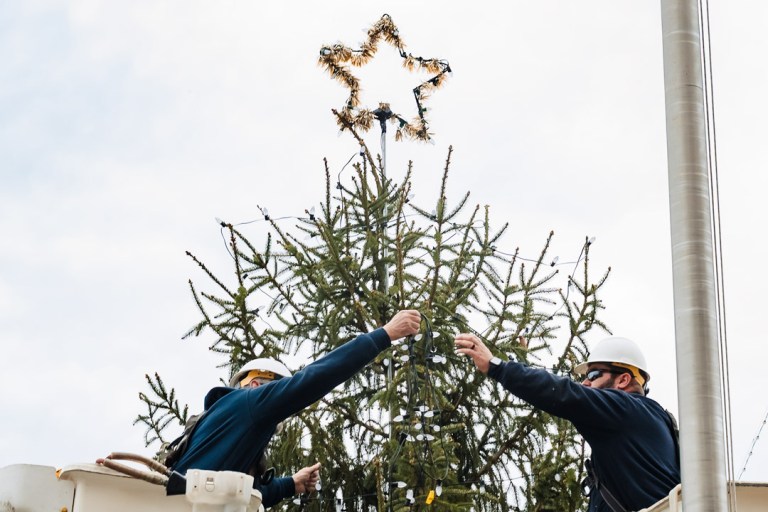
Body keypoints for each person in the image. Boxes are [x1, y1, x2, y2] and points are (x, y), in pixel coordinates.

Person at [170, 309, 422, 509]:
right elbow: (311, 380)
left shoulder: (226, 426)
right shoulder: (248, 403)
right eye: (277, 388)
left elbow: (249, 493)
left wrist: (292, 484)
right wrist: (384, 334)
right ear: (256, 385)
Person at [455, 333, 680, 512]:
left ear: (623, 379)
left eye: (594, 375)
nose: (585, 383)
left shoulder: (624, 409)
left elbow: (564, 393)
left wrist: (497, 366)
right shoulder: (650, 421)